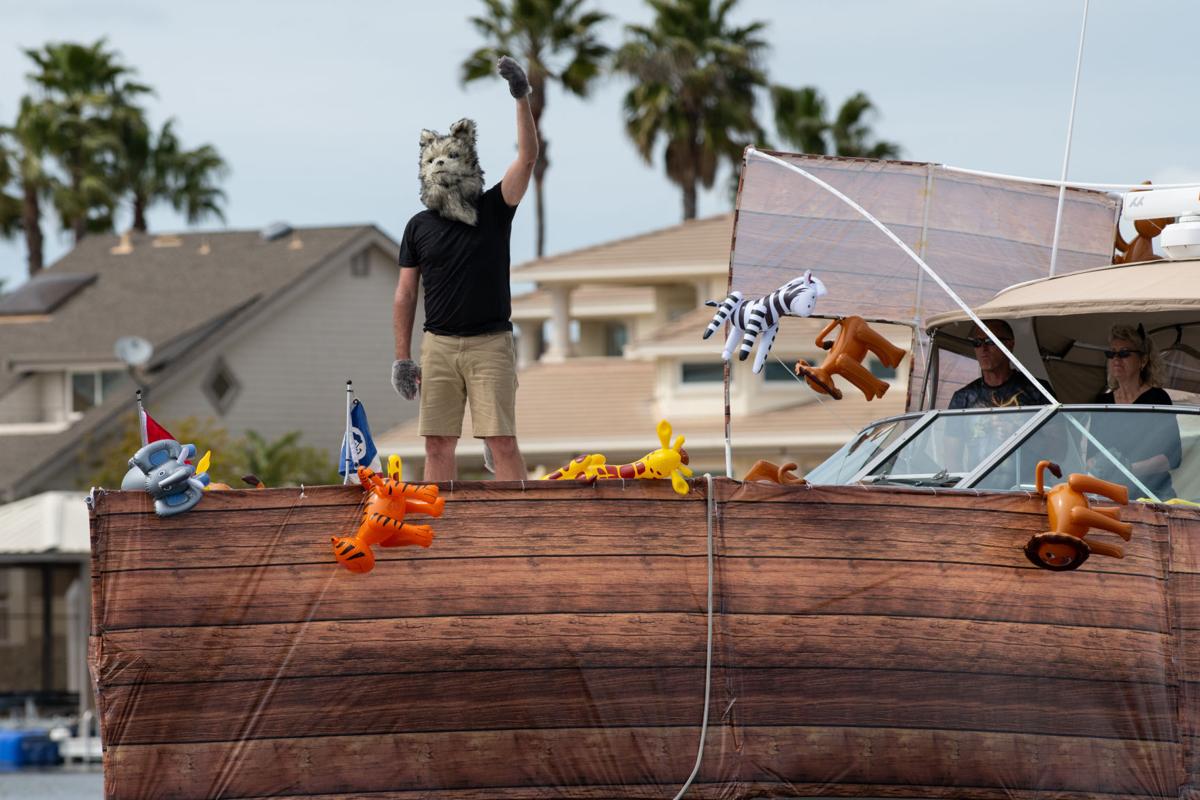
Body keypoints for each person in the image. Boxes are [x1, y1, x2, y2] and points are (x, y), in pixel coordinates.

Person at [390, 56, 537, 482]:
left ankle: (522, 527)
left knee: (501, 441)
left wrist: (520, 97)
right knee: (437, 442)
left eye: (450, 157)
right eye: (433, 160)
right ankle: (444, 534)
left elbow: (527, 159)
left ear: (468, 162)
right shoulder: (418, 226)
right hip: (437, 345)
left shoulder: (495, 207)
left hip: (490, 342)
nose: (441, 166)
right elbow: (404, 294)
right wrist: (401, 359)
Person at [1091, 323, 1180, 499]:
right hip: (1111, 494)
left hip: (1153, 495)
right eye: (1111, 353)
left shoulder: (1158, 399)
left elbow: (1171, 458)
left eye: (1124, 353)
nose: (1116, 359)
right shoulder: (1102, 402)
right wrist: (1100, 465)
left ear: (1143, 360)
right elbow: (1091, 456)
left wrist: (1128, 468)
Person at [948, 319, 1046, 409]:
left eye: (990, 341)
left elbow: (1054, 427)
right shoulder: (962, 398)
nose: (983, 348)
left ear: (1010, 345)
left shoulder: (1038, 391)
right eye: (977, 342)